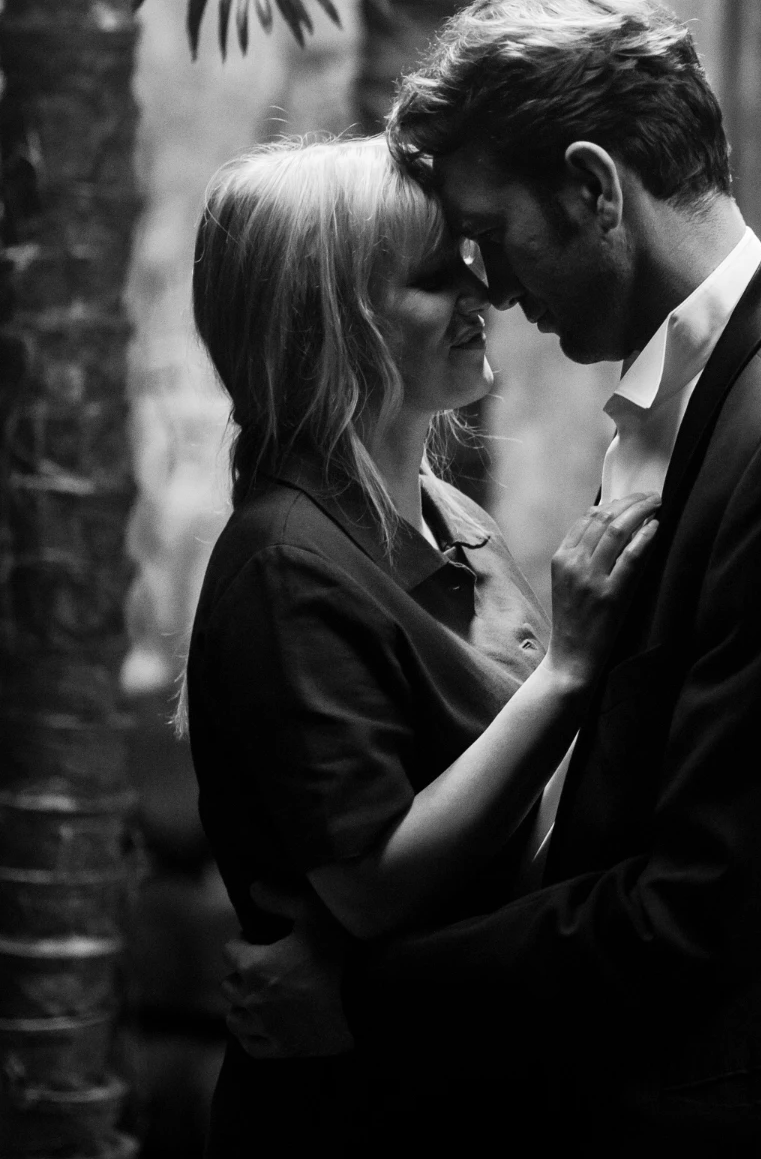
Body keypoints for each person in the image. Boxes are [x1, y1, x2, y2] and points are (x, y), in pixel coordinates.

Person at [225, 0, 761, 1155]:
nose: (493, 285)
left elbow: (702, 906)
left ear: (593, 188)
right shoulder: (692, 401)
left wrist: (363, 996)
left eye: (490, 232)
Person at [184, 136, 659, 1157]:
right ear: (328, 324)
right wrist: (570, 673)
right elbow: (371, 881)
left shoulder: (448, 511)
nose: (483, 294)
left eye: (470, 261)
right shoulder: (285, 562)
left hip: (457, 1080)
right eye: (436, 277)